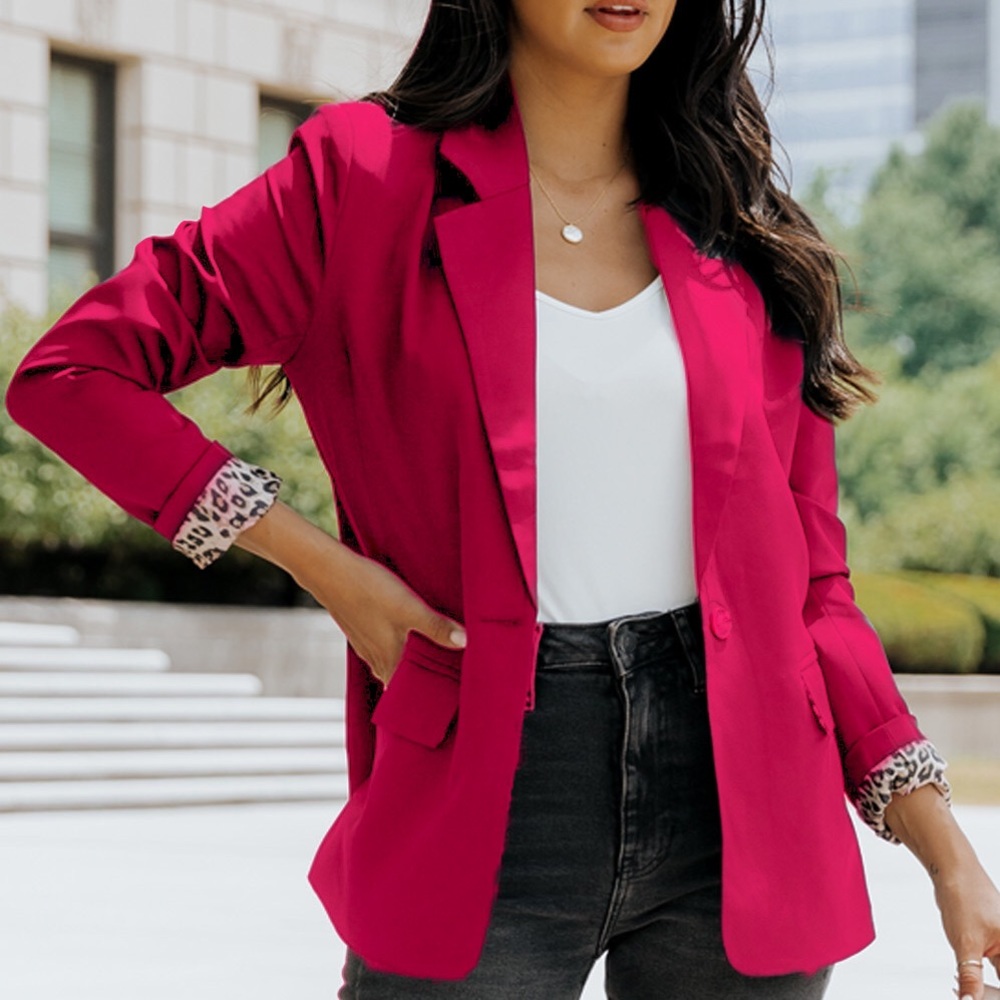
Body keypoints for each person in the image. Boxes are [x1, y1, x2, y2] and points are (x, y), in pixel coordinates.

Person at [6, 0, 1000, 997]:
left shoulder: (739, 226)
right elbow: (74, 373)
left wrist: (945, 849)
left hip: (745, 813)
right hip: (479, 793)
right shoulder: (362, 180)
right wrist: (326, 570)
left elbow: (813, 589)